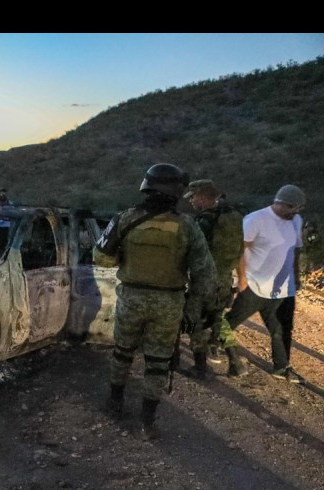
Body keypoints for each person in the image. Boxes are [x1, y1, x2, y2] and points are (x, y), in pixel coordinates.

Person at [94, 163, 216, 440]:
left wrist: (127, 259)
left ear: (146, 187)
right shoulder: (188, 225)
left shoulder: (124, 218)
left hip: (131, 298)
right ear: (177, 192)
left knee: (122, 353)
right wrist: (197, 308)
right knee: (158, 362)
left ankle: (115, 403)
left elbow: (101, 257)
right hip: (169, 303)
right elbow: (205, 275)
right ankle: (146, 423)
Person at [221, 184, 306, 383]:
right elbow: (240, 250)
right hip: (254, 285)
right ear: (282, 204)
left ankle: (282, 367)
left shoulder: (296, 220)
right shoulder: (256, 220)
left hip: (280, 290)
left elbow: (295, 249)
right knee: (229, 322)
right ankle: (212, 344)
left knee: (279, 330)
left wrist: (296, 276)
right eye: (294, 209)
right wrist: (242, 278)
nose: (296, 213)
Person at [183, 180, 244, 378]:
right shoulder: (232, 217)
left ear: (202, 197)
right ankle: (235, 362)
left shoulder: (204, 221)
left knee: (194, 321)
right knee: (218, 318)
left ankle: (200, 367)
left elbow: (193, 250)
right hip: (224, 279)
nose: (191, 201)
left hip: (204, 280)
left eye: (193, 197)